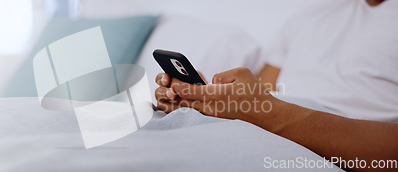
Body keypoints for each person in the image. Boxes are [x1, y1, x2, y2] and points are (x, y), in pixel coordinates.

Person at [155, 0, 397, 171]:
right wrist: (207, 101)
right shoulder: (311, 15)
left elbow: (263, 106)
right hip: (252, 133)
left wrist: (269, 113)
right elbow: (263, 96)